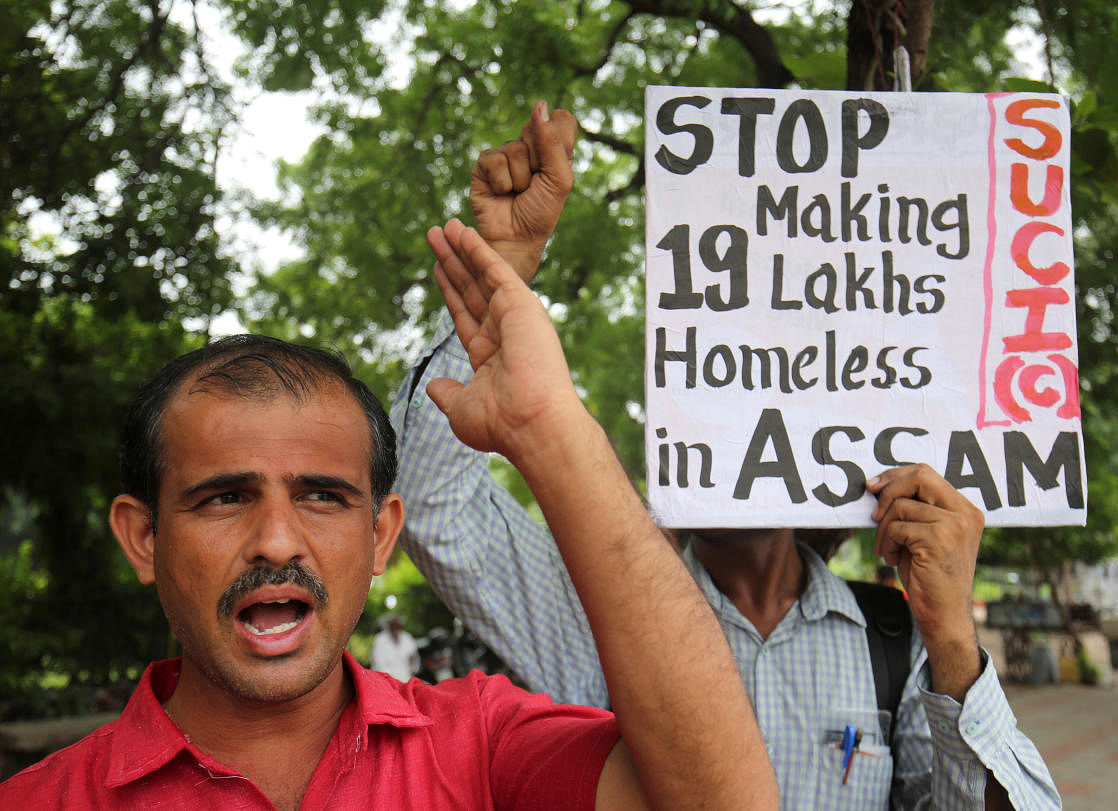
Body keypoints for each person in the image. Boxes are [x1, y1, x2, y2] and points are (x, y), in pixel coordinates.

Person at [0, 158, 778, 806]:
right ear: (144, 537)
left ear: (381, 535)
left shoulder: (482, 743)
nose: (277, 538)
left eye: (323, 496)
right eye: (227, 496)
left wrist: (550, 425)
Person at [391, 103, 1062, 809]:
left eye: (760, 380)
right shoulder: (599, 613)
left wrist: (954, 636)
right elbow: (436, 506)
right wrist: (505, 272)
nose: (728, 410)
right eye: (704, 381)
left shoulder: (897, 639)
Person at [370, 614, 419, 681]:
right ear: (389, 626)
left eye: (398, 625)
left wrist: (413, 663)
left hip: (406, 679)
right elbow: (378, 665)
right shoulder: (380, 639)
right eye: (393, 625)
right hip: (385, 681)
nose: (396, 628)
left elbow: (415, 662)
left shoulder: (407, 638)